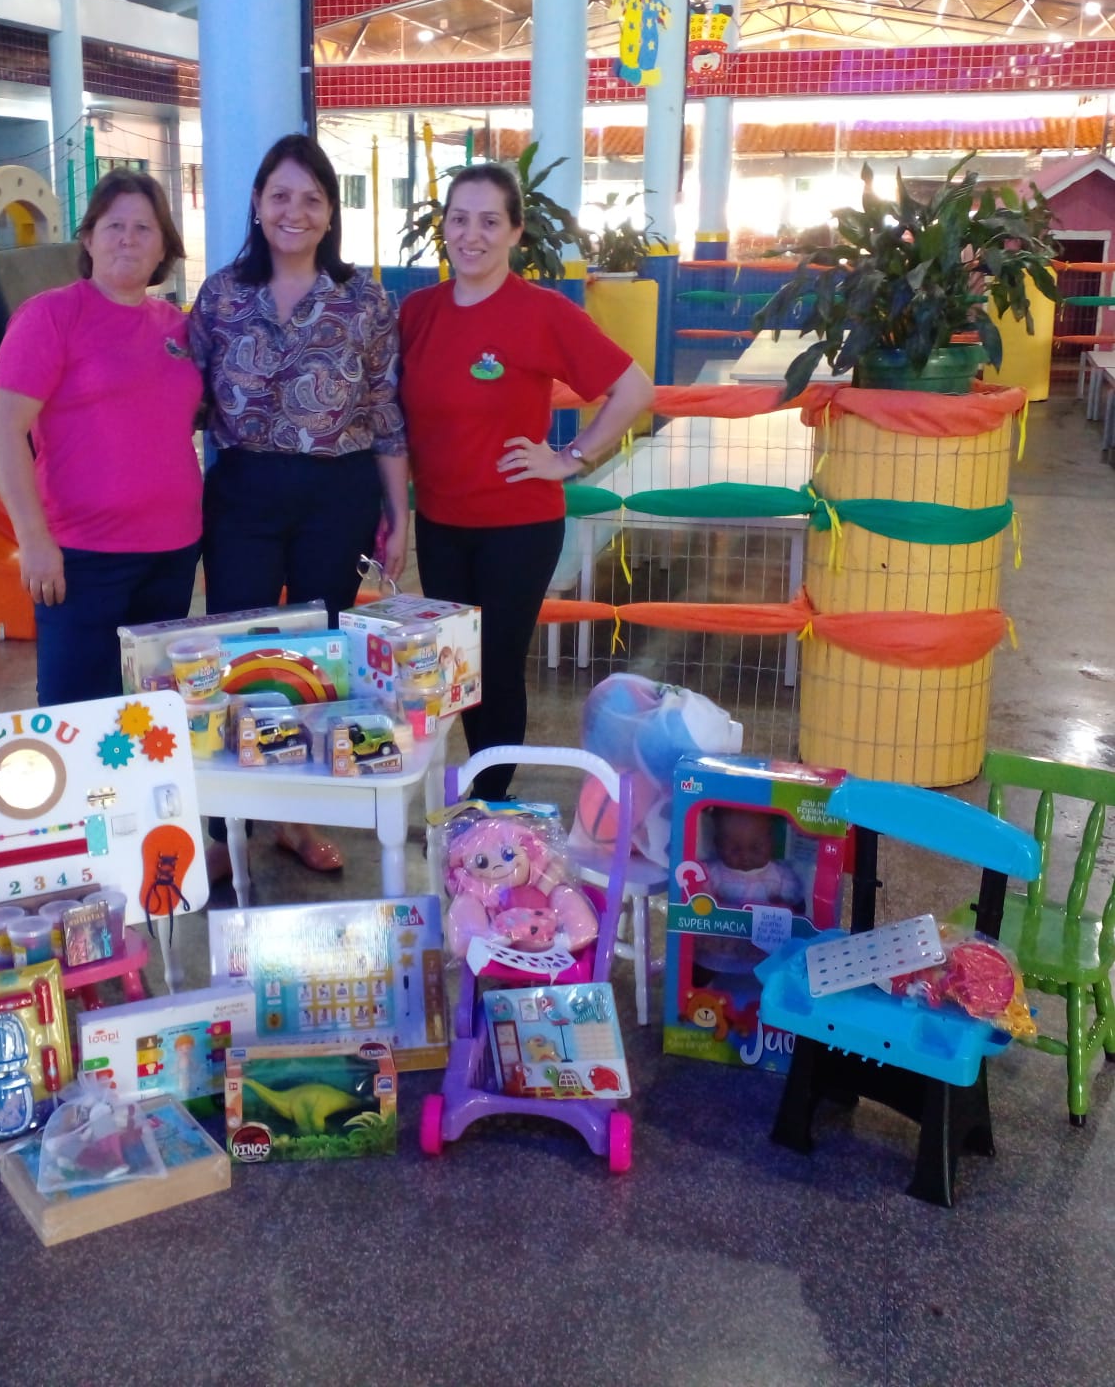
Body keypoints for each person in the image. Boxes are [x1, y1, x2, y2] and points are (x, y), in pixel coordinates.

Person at [398, 162, 654, 803]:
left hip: (518, 526)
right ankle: (478, 797)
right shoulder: (418, 313)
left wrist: (572, 457)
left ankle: (488, 804)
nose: (472, 235)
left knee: (496, 665)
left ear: (515, 232)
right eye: (460, 219)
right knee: (459, 670)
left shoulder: (541, 312)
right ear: (444, 227)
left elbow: (634, 389)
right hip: (441, 524)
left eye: (490, 221)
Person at [191, 133, 409, 872]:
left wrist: (400, 517)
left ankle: (296, 815)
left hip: (336, 494)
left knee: (319, 656)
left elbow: (385, 412)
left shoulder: (364, 299)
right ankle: (228, 829)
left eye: (312, 198)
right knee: (238, 654)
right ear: (257, 203)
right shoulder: (222, 295)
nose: (295, 211)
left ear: (331, 212)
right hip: (243, 493)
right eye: (280, 195)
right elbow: (182, 398)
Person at [0, 168, 201, 706]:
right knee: (75, 716)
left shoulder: (177, 327)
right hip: (83, 556)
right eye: (114, 226)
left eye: (144, 229)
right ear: (88, 238)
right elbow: (2, 428)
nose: (128, 239)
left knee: (151, 716)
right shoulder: (51, 316)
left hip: (173, 553)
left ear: (163, 249)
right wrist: (33, 541)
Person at [692, 807, 807, 983]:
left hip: (764, 954)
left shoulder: (780, 877)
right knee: (696, 975)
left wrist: (783, 906)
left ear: (771, 842)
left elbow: (797, 906)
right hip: (718, 951)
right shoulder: (713, 873)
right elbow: (698, 899)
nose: (745, 855)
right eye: (734, 849)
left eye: (756, 848)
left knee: (777, 979)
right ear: (717, 844)